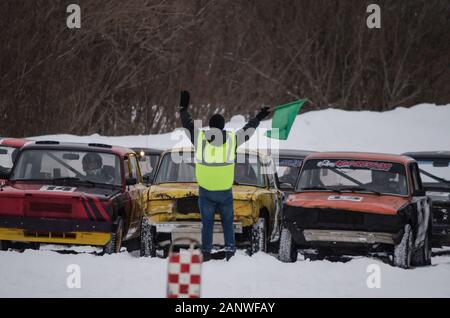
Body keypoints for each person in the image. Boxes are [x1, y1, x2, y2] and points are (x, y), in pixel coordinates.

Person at [179, 90, 270, 261]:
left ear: (210, 126)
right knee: (228, 224)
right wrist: (259, 117)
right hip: (225, 192)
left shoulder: (200, 139)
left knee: (207, 225)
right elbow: (248, 130)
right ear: (223, 127)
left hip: (206, 191)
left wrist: (183, 109)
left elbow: (187, 124)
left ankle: (206, 252)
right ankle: (230, 251)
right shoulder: (231, 140)